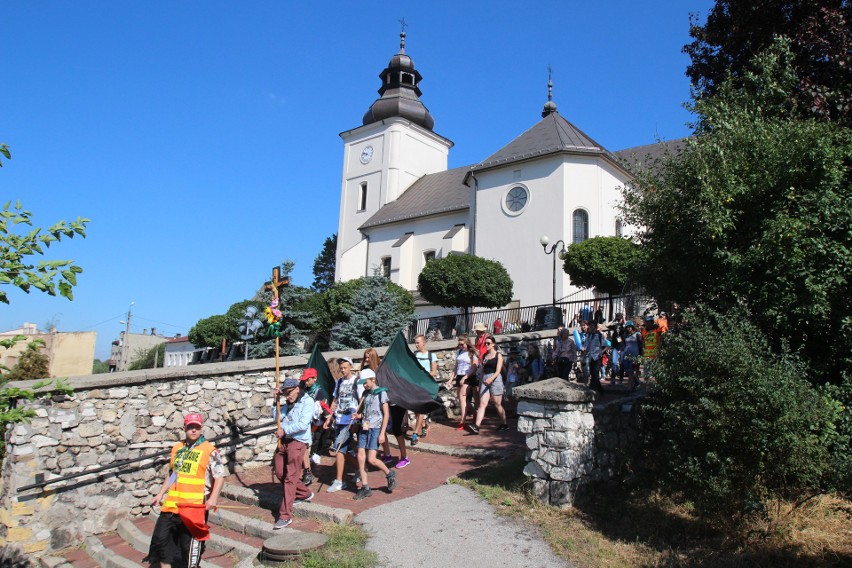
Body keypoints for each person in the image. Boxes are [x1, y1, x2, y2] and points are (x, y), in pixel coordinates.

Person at [147, 412, 226, 568]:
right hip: (172, 505)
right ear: (185, 428)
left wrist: (213, 499)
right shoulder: (177, 448)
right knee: (162, 544)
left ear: (201, 428)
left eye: (196, 427)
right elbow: (173, 474)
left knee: (189, 549)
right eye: (190, 427)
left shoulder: (209, 450)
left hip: (194, 507)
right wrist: (160, 493)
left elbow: (220, 476)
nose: (193, 430)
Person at [272, 377, 315, 529]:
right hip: (284, 441)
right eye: (285, 393)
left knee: (291, 477)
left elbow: (303, 424)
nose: (288, 396)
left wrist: (285, 430)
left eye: (289, 393)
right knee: (279, 472)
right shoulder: (287, 404)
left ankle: (285, 515)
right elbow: (276, 418)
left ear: (297, 389)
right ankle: (303, 493)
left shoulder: (308, 402)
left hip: (298, 441)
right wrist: (276, 401)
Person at [351, 372, 397, 500]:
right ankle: (365, 487)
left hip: (375, 428)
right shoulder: (365, 394)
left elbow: (386, 415)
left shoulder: (381, 393)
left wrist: (382, 433)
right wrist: (357, 416)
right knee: (360, 457)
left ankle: (389, 473)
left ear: (373, 379)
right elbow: (363, 413)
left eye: (366, 382)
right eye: (363, 383)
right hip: (364, 427)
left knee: (371, 459)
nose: (364, 385)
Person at [323, 357, 361, 493]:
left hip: (350, 420)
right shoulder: (339, 382)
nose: (343, 370)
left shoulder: (357, 381)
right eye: (341, 368)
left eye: (345, 367)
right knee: (345, 449)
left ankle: (339, 481)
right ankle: (360, 469)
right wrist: (329, 417)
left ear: (350, 366)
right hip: (339, 419)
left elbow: (362, 401)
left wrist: (358, 419)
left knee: (338, 449)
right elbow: (335, 400)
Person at [468, 335, 508, 433]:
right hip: (485, 379)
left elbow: (498, 370)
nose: (486, 345)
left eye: (488, 343)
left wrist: (491, 379)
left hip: (495, 379)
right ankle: (476, 426)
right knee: (482, 404)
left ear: (493, 344)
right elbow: (482, 370)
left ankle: (504, 424)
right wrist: (480, 382)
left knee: (497, 403)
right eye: (485, 343)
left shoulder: (498, 355)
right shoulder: (485, 355)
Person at [299, 368, 331, 486]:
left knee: (306, 448)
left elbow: (320, 409)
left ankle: (307, 473)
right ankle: (306, 472)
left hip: (314, 423)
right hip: (304, 422)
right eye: (304, 380)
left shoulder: (319, 391)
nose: (306, 382)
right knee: (305, 448)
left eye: (308, 380)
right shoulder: (304, 389)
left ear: (314, 379)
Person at [411, 334, 438, 445]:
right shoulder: (414, 355)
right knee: (416, 410)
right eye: (415, 343)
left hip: (425, 385)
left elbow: (434, 372)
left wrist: (423, 376)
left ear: (424, 342)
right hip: (415, 385)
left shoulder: (432, 355)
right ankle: (424, 425)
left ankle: (415, 434)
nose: (416, 345)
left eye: (418, 342)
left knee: (421, 409)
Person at [453, 334, 480, 429]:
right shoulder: (459, 352)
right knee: (461, 398)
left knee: (462, 397)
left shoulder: (472, 353)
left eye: (462, 344)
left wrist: (466, 377)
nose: (461, 346)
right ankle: (474, 413)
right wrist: (451, 378)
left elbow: (475, 366)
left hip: (468, 376)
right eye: (460, 344)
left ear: (467, 343)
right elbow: (456, 366)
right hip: (460, 375)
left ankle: (462, 421)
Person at [622, 321, 643, 390]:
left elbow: (641, 345)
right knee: (628, 371)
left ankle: (629, 387)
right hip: (626, 354)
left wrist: (640, 357)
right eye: (627, 327)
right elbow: (624, 344)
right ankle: (635, 382)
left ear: (632, 327)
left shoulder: (637, 334)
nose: (628, 329)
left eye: (629, 327)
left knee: (631, 371)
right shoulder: (625, 335)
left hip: (635, 355)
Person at [586, 321, 606, 392]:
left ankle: (592, 388)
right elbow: (587, 345)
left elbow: (606, 346)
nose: (590, 327)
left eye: (592, 325)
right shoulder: (589, 335)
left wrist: (601, 352)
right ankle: (600, 390)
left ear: (595, 326)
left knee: (595, 372)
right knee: (593, 373)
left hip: (597, 357)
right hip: (590, 356)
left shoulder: (600, 335)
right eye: (590, 326)